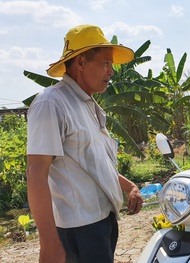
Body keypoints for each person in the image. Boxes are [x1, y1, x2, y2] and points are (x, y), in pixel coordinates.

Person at [26, 24, 143, 263]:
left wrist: (129, 185)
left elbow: (94, 164)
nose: (111, 72)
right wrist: (49, 244)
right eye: (105, 63)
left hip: (102, 223)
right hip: (79, 230)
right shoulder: (51, 103)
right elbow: (36, 173)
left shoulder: (87, 105)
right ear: (80, 63)